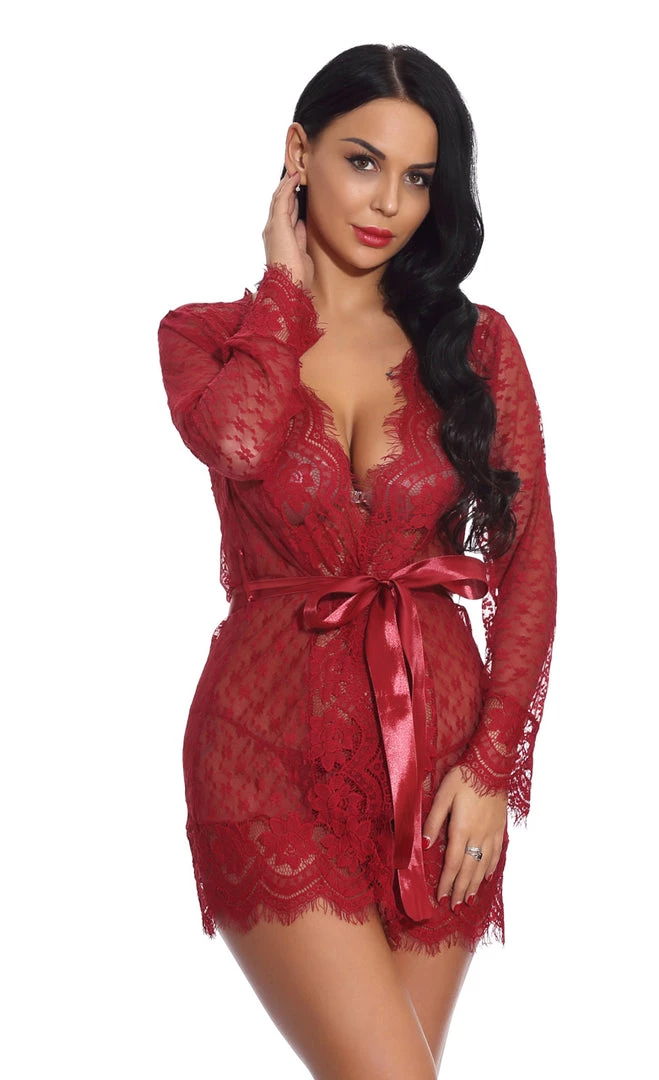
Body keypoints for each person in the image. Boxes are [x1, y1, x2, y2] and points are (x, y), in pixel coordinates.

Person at [158, 42, 556, 1080]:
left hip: (442, 765)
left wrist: (492, 770)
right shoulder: (207, 337)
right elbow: (240, 438)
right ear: (299, 153)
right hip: (266, 752)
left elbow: (529, 568)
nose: (389, 203)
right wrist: (283, 293)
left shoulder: (478, 347)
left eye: (419, 177)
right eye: (362, 161)